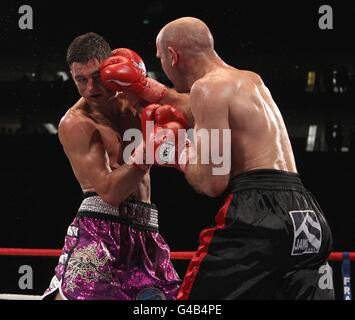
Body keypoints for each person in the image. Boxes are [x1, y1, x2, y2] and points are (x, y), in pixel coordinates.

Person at [100, 17, 335, 300]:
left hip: (258, 215)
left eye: (161, 58)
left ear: (173, 56)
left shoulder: (206, 89)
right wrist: (151, 90)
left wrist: (175, 151)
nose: (161, 64)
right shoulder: (248, 80)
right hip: (306, 215)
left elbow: (211, 182)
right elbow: (198, 107)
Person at [42, 32, 180, 300]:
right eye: (81, 80)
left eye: (96, 77)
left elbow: (185, 117)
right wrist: (148, 151)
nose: (91, 88)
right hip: (100, 229)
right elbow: (110, 192)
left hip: (146, 230)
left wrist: (150, 88)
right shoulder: (77, 123)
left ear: (111, 68)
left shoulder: (133, 100)